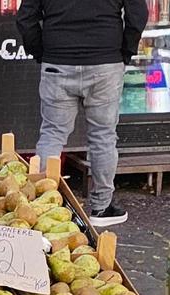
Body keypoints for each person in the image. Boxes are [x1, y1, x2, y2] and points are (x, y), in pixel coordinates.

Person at [16, 0, 148, 227]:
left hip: (57, 62)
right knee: (103, 136)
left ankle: (42, 204)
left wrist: (42, 53)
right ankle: (102, 207)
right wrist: (124, 52)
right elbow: (138, 15)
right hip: (105, 63)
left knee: (52, 134)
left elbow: (25, 19)